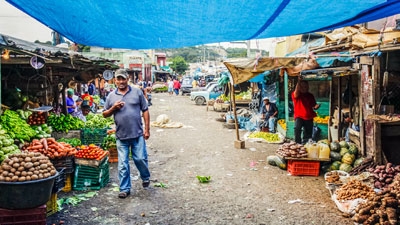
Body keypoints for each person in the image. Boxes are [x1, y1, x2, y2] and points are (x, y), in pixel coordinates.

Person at [102, 69, 151, 199]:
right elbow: (104, 114)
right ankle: (124, 188)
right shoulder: (111, 96)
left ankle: (145, 177)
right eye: (118, 79)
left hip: (137, 134)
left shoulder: (137, 92)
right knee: (122, 164)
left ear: (127, 79)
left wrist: (147, 129)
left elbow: (145, 110)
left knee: (140, 159)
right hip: (121, 136)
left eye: (123, 79)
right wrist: (113, 108)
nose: (121, 81)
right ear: (115, 81)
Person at [292, 76, 320, 144]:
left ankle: (306, 144)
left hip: (309, 116)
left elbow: (314, 106)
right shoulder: (296, 95)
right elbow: (296, 92)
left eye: (307, 86)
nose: (306, 88)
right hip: (299, 116)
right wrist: (299, 81)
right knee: (297, 129)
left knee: (308, 133)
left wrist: (316, 107)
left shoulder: (310, 95)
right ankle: (297, 143)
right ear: (300, 87)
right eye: (304, 86)